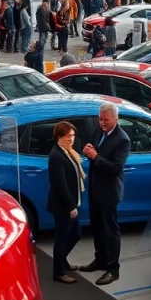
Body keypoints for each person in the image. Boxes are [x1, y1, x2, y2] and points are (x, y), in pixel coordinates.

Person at [78, 101, 131, 286]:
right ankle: (99, 260)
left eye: (106, 120)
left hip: (109, 193)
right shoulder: (98, 132)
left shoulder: (122, 139)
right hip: (95, 189)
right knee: (97, 228)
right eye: (100, 120)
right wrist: (87, 151)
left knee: (110, 231)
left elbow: (116, 168)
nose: (102, 123)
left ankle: (113, 269)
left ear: (115, 119)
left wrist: (95, 157)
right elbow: (92, 148)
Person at [47, 121, 84, 284]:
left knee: (75, 234)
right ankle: (59, 272)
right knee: (62, 237)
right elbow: (60, 184)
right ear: (59, 137)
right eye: (68, 136)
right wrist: (70, 207)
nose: (71, 139)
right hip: (62, 205)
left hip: (71, 203)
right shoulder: (57, 156)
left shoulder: (68, 152)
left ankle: (62, 260)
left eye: (73, 135)